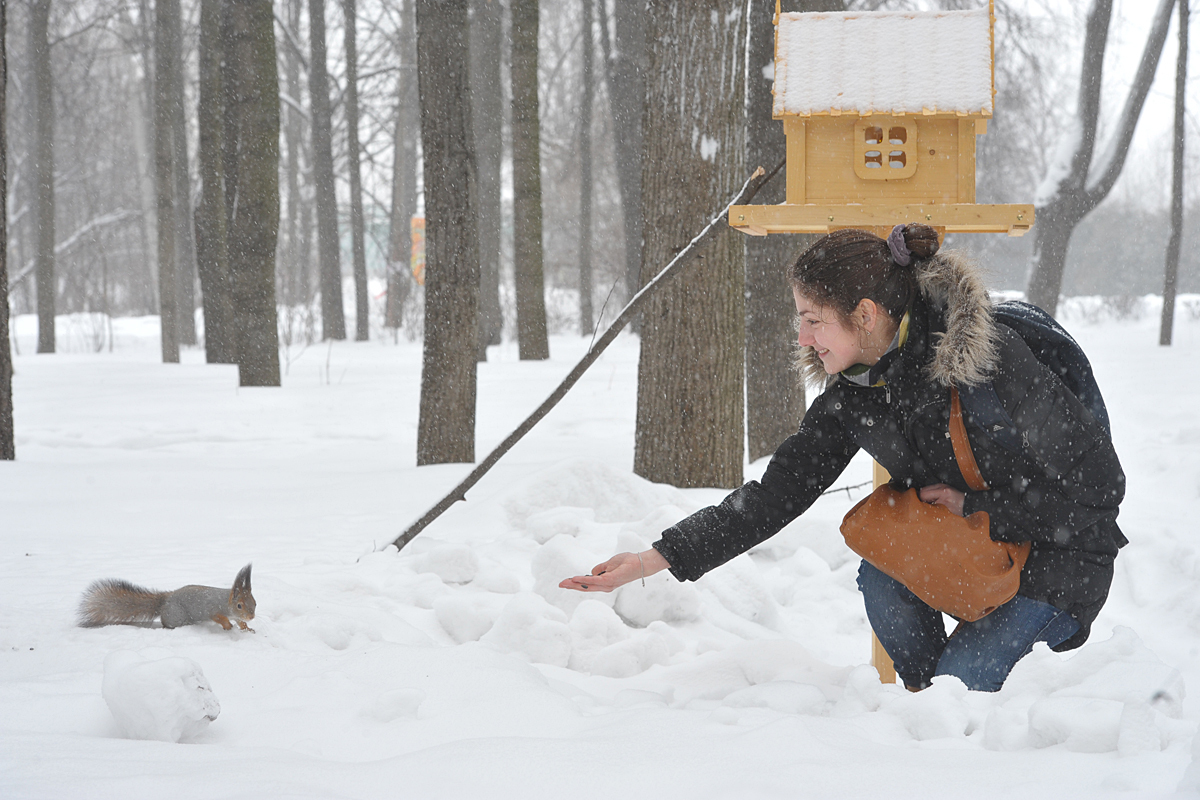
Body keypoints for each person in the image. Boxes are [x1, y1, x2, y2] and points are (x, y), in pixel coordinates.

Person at [560, 224, 1126, 692]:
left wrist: (976, 505)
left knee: (963, 689)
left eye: (813, 318)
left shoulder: (992, 363)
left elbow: (1101, 490)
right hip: (967, 552)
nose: (803, 337)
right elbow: (775, 495)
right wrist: (656, 558)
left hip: (1057, 563)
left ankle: (958, 730)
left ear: (866, 314)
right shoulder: (857, 393)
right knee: (892, 599)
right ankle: (927, 722)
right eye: (799, 318)